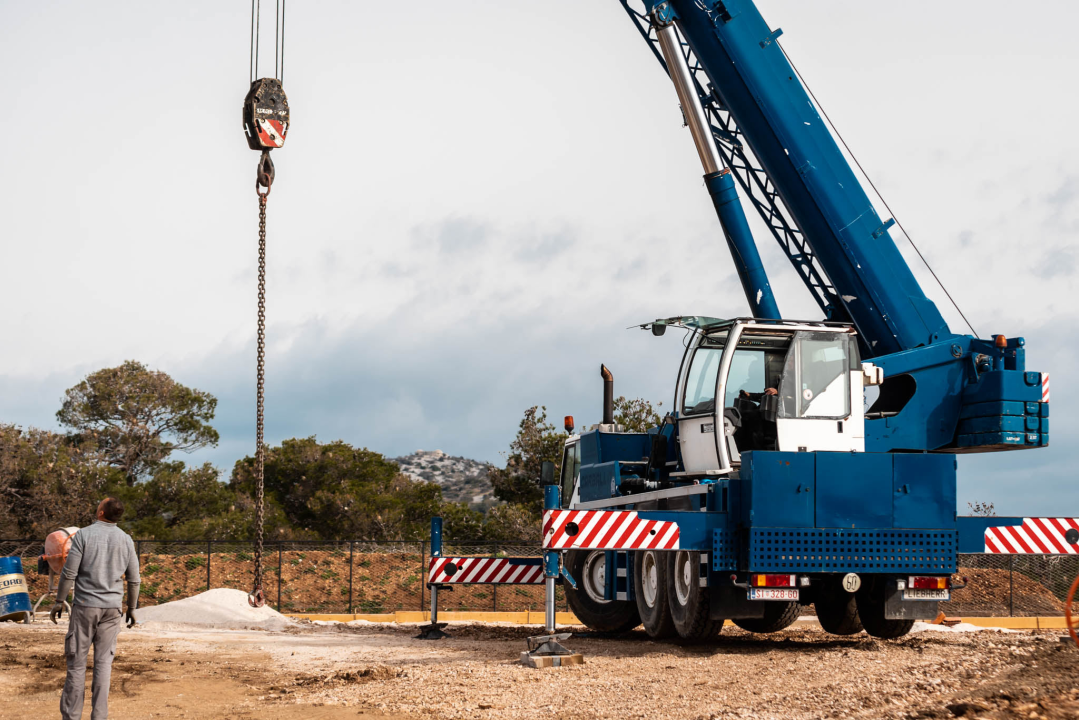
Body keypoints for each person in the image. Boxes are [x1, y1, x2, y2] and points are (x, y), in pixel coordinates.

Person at [51, 497, 140, 720]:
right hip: (112, 610)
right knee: (103, 665)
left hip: (85, 607)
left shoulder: (83, 535)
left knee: (77, 665)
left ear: (101, 512)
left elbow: (69, 573)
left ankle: (72, 716)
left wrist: (59, 601)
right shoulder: (126, 540)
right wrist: (131, 608)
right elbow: (134, 579)